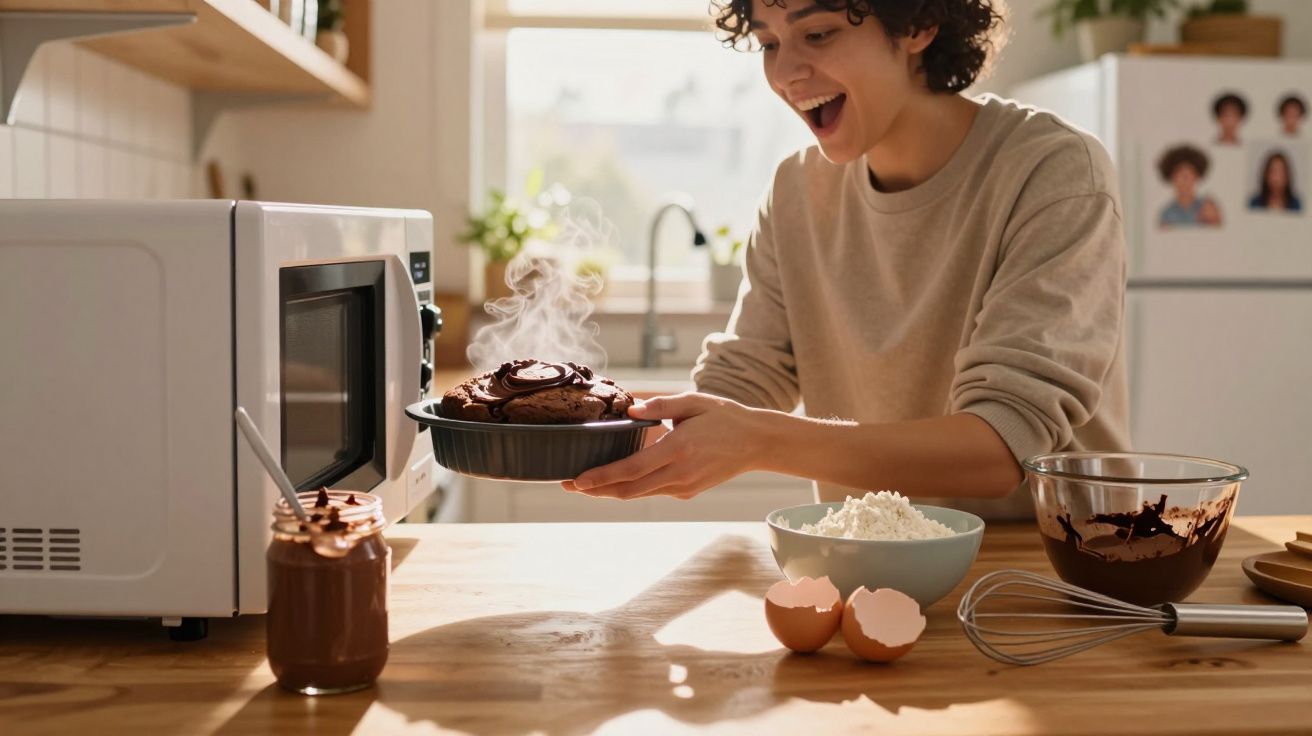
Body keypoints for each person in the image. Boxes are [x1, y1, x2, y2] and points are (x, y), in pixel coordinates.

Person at [562, 0, 1130, 519]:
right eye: (769, 44)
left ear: (917, 24)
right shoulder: (795, 191)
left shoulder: (1053, 172)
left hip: (1050, 578)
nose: (785, 73)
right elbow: (744, 380)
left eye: (818, 33)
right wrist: (599, 417)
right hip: (872, 562)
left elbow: (1002, 447)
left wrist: (760, 440)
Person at [1157, 144, 1222, 227]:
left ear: (1197, 177)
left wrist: (1214, 220)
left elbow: (1220, 234)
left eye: (1187, 176)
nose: (1184, 182)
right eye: (1179, 176)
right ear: (1171, 178)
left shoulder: (1207, 208)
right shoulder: (1167, 213)